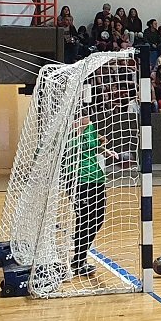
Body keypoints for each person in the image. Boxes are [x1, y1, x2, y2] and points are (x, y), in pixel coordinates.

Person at [65, 112, 119, 276]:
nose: (88, 121)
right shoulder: (69, 135)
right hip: (79, 181)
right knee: (84, 219)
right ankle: (79, 260)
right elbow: (79, 147)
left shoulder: (90, 128)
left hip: (97, 179)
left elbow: (94, 145)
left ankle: (79, 258)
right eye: (85, 118)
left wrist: (105, 150)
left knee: (98, 219)